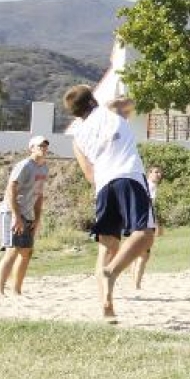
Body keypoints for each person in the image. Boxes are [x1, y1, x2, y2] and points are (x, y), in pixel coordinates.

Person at [64, 84, 155, 320]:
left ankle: (107, 305)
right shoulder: (111, 110)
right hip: (128, 176)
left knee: (106, 247)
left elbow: (89, 175)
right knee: (145, 234)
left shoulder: (77, 138)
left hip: (104, 186)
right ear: (92, 100)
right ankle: (112, 272)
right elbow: (134, 102)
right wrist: (120, 101)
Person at [0, 136, 49, 296]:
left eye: (45, 146)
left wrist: (37, 219)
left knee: (26, 251)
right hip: (11, 211)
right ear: (31, 148)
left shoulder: (44, 168)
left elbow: (39, 195)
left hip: (28, 213)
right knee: (12, 250)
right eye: (40, 146)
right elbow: (11, 189)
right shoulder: (24, 165)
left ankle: (16, 291)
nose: (43, 148)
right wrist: (16, 216)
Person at [129, 165, 164, 289]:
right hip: (145, 222)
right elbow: (150, 207)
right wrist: (157, 224)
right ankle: (136, 285)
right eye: (156, 172)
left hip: (137, 221)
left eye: (160, 172)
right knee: (144, 255)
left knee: (136, 253)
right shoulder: (150, 186)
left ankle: (134, 282)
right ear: (149, 174)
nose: (158, 174)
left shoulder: (146, 185)